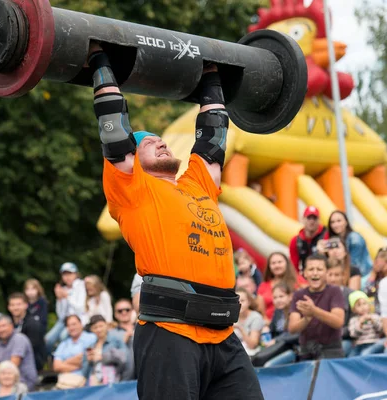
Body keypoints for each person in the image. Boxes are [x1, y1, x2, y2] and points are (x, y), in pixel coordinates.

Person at [89, 41, 263, 399]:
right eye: (150, 142)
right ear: (134, 159)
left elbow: (213, 136)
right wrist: (98, 58)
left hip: (223, 335)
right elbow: (114, 126)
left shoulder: (197, 183)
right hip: (170, 333)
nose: (162, 143)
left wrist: (212, 75)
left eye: (162, 140)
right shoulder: (132, 190)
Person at [288, 254, 346, 360]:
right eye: (311, 269)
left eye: (319, 269)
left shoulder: (334, 291)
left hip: (331, 351)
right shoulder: (299, 295)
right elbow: (292, 328)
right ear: (304, 273)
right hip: (306, 351)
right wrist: (307, 319)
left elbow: (338, 322)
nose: (315, 273)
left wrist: (314, 311)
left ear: (326, 272)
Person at [45, 262, 86, 354]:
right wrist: (59, 299)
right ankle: (53, 359)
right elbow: (60, 314)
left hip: (78, 319)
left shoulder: (81, 286)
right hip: (64, 320)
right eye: (64, 274)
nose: (67, 277)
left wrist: (67, 297)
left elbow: (80, 308)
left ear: (76, 274)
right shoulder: (63, 289)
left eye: (70, 274)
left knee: (63, 336)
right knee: (48, 340)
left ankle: (61, 357)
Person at [257, 252, 306, 320]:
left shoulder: (298, 280)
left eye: (280, 262)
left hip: (294, 320)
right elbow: (260, 311)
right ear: (269, 266)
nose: (277, 265)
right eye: (273, 263)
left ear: (286, 263)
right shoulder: (264, 285)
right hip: (270, 324)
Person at [52, 315, 96, 390]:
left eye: (74, 324)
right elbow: (56, 366)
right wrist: (78, 365)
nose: (72, 328)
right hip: (65, 383)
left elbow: (85, 358)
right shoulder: (64, 343)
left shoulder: (91, 337)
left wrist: (64, 363)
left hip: (85, 382)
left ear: (81, 324)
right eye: (69, 325)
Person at [82, 315, 127, 386]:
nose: (98, 330)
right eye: (95, 327)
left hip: (113, 382)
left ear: (106, 325)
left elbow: (124, 358)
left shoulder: (116, 340)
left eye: (101, 326)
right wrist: (88, 361)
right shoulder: (90, 347)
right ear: (91, 329)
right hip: (94, 383)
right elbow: (84, 373)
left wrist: (102, 357)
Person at [7, 293, 45, 371]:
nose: (15, 308)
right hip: (12, 360)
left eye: (18, 304)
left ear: (26, 305)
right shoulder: (8, 324)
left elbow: (32, 348)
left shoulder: (33, 324)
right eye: (12, 305)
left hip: (30, 364)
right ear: (9, 307)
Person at [327, 211, 372, 276]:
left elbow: (354, 263)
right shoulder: (335, 240)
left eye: (339, 221)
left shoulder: (354, 238)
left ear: (346, 222)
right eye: (332, 222)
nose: (335, 224)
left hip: (363, 275)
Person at [289, 206, 328, 273]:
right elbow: (294, 267)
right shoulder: (295, 241)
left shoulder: (326, 236)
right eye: (309, 218)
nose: (311, 221)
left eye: (314, 218)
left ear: (319, 220)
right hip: (305, 277)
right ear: (303, 219)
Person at [347, 291, 383, 356]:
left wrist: (373, 321)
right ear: (354, 309)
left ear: (369, 304)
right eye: (359, 305)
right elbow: (353, 334)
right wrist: (360, 324)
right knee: (351, 358)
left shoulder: (375, 317)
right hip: (359, 345)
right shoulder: (353, 320)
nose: (363, 307)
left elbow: (380, 329)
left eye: (364, 303)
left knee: (365, 355)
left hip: (373, 343)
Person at [233, 289, 264, 357]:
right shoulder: (231, 316)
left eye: (242, 300)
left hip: (252, 355)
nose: (239, 303)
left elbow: (252, 345)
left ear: (249, 302)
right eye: (236, 301)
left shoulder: (256, 317)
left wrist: (240, 328)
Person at [363, 248, 387, 314]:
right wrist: (374, 273)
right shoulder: (375, 279)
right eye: (376, 263)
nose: (377, 266)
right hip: (378, 313)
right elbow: (366, 292)